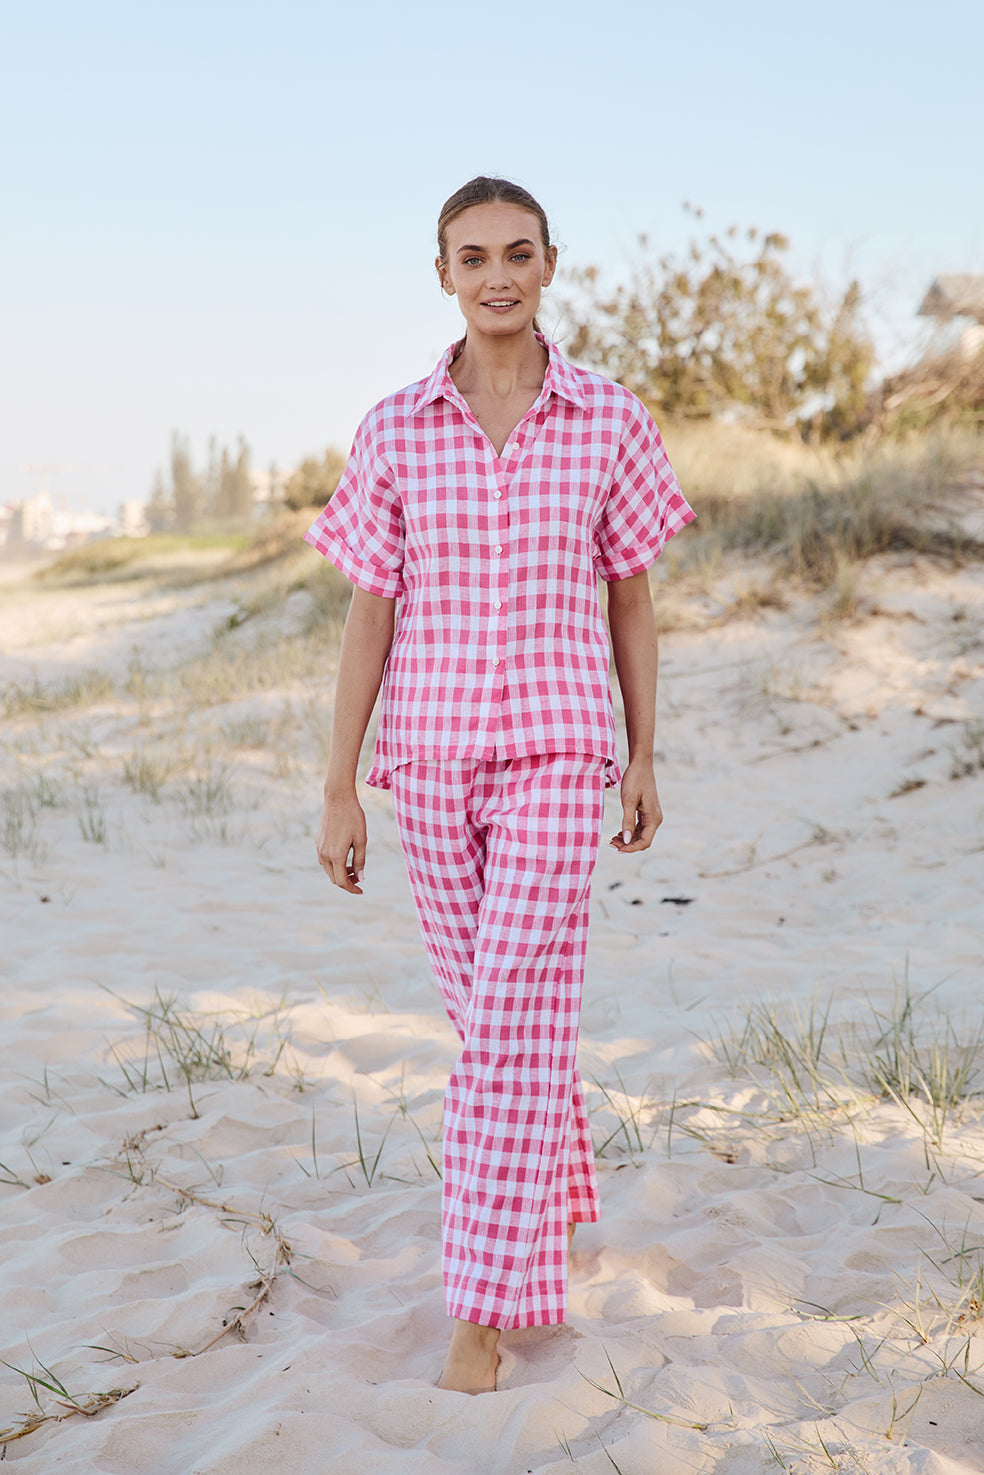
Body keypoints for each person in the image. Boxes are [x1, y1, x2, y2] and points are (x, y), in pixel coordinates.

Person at [306, 176, 694, 1395]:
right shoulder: (392, 430)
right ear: (443, 275)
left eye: (518, 253)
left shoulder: (610, 418)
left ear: (551, 263)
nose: (497, 275)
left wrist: (642, 749)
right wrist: (339, 783)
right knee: (497, 1024)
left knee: (509, 1017)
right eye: (472, 256)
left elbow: (631, 593)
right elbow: (371, 615)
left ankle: (482, 1308)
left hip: (561, 749)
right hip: (424, 755)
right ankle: (552, 1200)